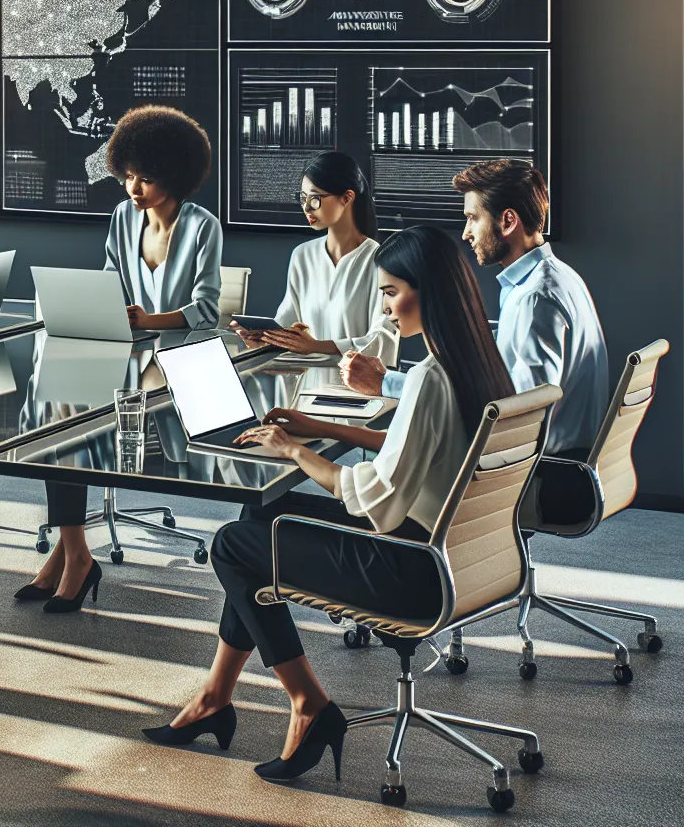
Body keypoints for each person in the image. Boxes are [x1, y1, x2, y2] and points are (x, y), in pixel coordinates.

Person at [144, 225, 515, 786]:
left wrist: (294, 450)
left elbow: (379, 500)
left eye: (391, 292)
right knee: (262, 517)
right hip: (458, 556)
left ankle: (308, 705)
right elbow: (415, 450)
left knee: (232, 546)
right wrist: (317, 427)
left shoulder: (430, 381)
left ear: (429, 293)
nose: (386, 309)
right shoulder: (476, 365)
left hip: (409, 570)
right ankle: (215, 697)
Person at [18, 105, 220, 614]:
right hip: (124, 347)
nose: (133, 189)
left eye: (145, 178)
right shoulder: (121, 218)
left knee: (79, 418)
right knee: (56, 404)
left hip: (176, 355)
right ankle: (74, 551)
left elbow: (207, 310)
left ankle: (70, 556)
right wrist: (108, 312)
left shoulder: (202, 227)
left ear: (174, 175)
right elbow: (110, 281)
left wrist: (149, 320)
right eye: (127, 176)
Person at [341, 160, 609, 461]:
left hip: (543, 473)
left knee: (401, 461)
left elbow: (521, 413)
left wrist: (387, 383)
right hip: (561, 460)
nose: (466, 233)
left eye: (472, 218)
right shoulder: (556, 277)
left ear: (507, 221)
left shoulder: (535, 298)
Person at [234, 152, 398, 366]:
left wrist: (316, 346)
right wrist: (264, 339)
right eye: (302, 198)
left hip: (356, 390)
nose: (307, 207)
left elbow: (383, 340)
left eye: (315, 198)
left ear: (347, 197)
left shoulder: (380, 261)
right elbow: (287, 323)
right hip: (305, 387)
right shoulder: (302, 256)